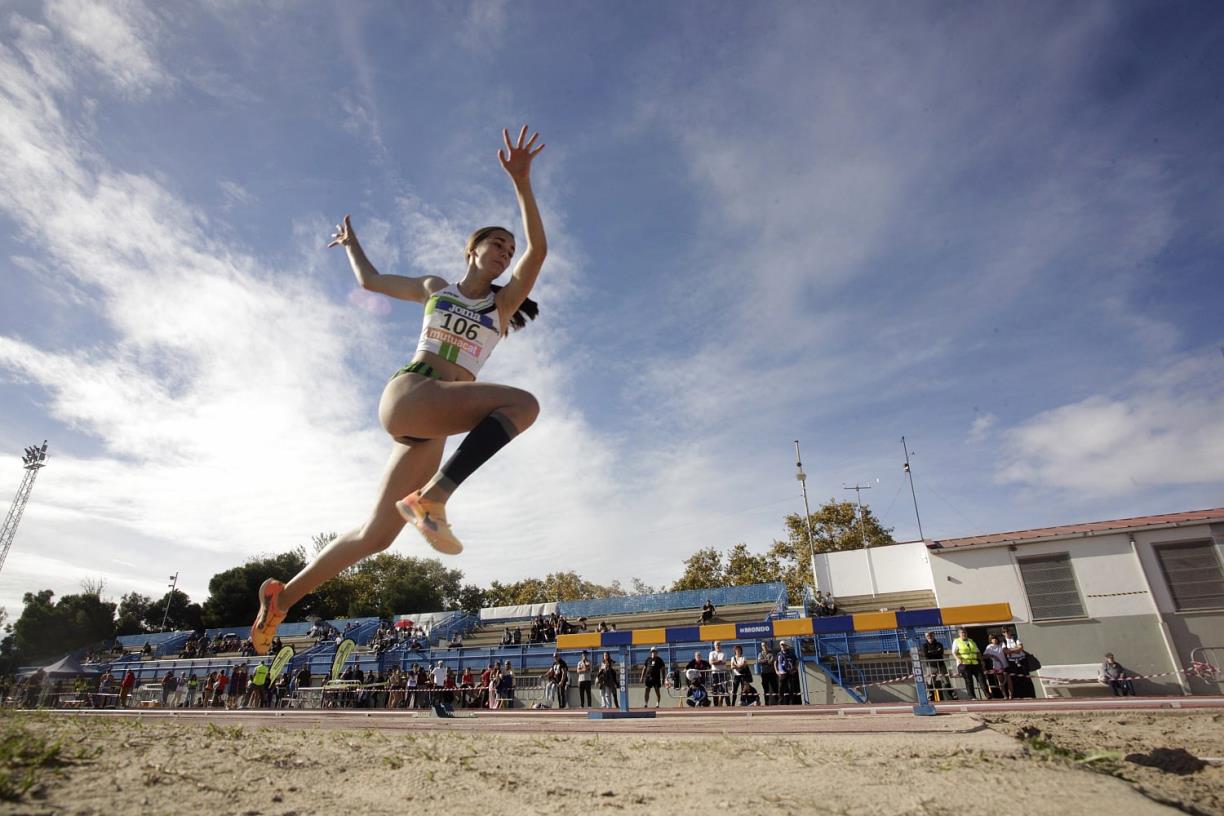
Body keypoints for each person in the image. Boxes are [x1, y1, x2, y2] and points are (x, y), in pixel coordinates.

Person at [249, 125, 548, 653]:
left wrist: (523, 184)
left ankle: (282, 599)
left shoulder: (501, 308)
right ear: (471, 250)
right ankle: (432, 499)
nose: (505, 251)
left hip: (431, 425)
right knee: (522, 404)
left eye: (508, 248)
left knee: (377, 536)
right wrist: (351, 245)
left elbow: (539, 249)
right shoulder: (438, 288)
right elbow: (371, 282)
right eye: (495, 244)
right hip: (413, 392)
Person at [951, 628, 984, 700]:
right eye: (962, 633)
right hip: (964, 664)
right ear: (959, 634)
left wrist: (981, 660)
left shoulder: (971, 641)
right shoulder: (956, 641)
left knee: (981, 679)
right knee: (969, 681)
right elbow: (954, 652)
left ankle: (988, 695)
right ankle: (972, 696)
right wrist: (958, 659)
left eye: (965, 632)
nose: (964, 634)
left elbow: (977, 651)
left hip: (975, 663)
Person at [983, 634, 1013, 699]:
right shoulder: (989, 647)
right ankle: (1005, 695)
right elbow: (984, 656)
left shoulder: (1001, 644)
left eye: (996, 638)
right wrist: (992, 656)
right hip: (997, 667)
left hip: (1005, 665)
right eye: (993, 639)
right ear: (990, 640)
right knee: (1001, 681)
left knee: (1009, 680)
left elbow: (1005, 650)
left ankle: (1011, 695)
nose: (995, 640)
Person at [757, 642, 779, 706]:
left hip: (772, 673)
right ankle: (766, 703)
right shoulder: (760, 654)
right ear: (761, 646)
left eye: (765, 645)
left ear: (767, 645)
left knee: (775, 688)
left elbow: (771, 662)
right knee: (765, 689)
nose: (764, 646)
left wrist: (764, 661)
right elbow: (759, 661)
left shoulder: (771, 653)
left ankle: (778, 702)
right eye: (763, 645)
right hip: (764, 674)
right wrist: (766, 660)